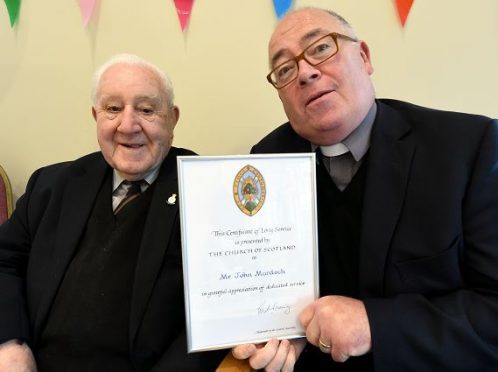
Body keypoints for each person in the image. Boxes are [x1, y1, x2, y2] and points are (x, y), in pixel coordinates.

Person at [232, 7, 498, 371]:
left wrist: (376, 325)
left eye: (321, 48)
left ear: (364, 57)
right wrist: (275, 330)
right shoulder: (264, 163)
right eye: (285, 70)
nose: (306, 72)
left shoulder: (467, 148)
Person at [0, 54, 224, 371]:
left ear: (172, 119)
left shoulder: (207, 192)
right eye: (113, 109)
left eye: (146, 110)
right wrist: (10, 344)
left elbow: (217, 314)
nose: (128, 125)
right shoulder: (50, 186)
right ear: (96, 116)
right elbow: (3, 262)